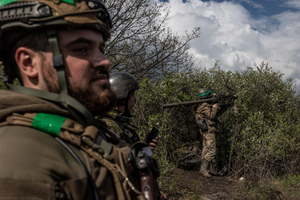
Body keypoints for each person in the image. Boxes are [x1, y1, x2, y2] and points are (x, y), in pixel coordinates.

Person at [0, 0, 145, 199]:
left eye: (100, 49)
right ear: (29, 63)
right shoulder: (21, 158)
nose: (104, 61)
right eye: (82, 49)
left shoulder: (79, 131)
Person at [98, 72, 158, 149]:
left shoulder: (118, 122)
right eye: (132, 95)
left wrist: (143, 146)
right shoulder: (109, 126)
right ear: (122, 98)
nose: (135, 99)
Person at [195, 88, 227, 178]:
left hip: (206, 131)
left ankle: (204, 169)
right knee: (212, 151)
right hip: (209, 131)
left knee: (205, 150)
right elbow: (212, 116)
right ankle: (203, 170)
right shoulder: (204, 106)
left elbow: (215, 114)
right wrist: (215, 107)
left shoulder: (202, 105)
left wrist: (225, 107)